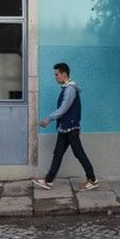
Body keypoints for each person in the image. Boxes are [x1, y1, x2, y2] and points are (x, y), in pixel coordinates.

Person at [33, 62, 98, 190]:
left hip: (71, 129)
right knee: (58, 154)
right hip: (64, 128)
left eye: (57, 74)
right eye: (55, 75)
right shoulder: (66, 88)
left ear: (64, 74)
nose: (55, 77)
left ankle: (93, 179)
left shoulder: (70, 89)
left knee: (79, 154)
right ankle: (48, 180)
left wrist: (49, 119)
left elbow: (63, 108)